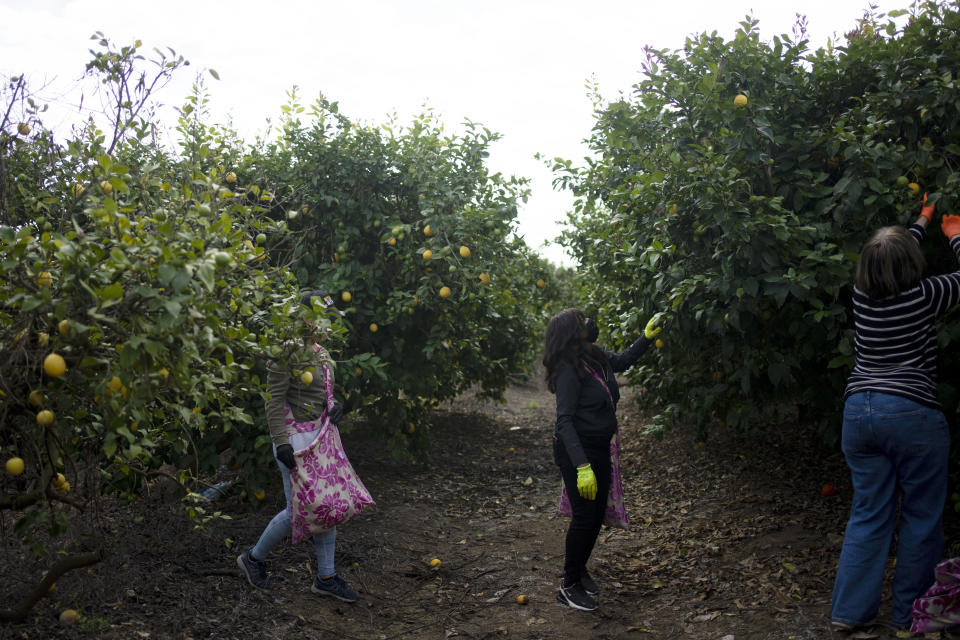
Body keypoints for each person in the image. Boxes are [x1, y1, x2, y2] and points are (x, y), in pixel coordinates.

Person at [830, 196, 960, 632]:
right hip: (910, 413)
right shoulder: (925, 295)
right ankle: (909, 618)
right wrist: (955, 234)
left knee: (867, 513)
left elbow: (892, 253)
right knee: (922, 516)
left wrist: (921, 220)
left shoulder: (861, 295)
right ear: (912, 263)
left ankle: (849, 614)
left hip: (858, 413)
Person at [237, 289, 359, 602]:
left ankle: (326, 577)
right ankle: (253, 559)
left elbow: (321, 394)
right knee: (298, 512)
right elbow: (273, 401)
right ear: (303, 316)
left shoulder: (321, 352)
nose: (324, 323)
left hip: (318, 439)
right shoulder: (286, 351)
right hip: (295, 442)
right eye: (319, 316)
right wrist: (280, 442)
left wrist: (334, 407)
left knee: (326, 508)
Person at [544, 308, 661, 611]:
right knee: (585, 517)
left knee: (595, 517)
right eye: (582, 323)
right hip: (578, 453)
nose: (589, 324)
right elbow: (564, 422)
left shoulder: (593, 356)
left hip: (599, 448)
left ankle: (580, 569)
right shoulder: (568, 369)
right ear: (571, 334)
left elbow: (621, 361)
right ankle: (567, 586)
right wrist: (581, 466)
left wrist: (645, 339)